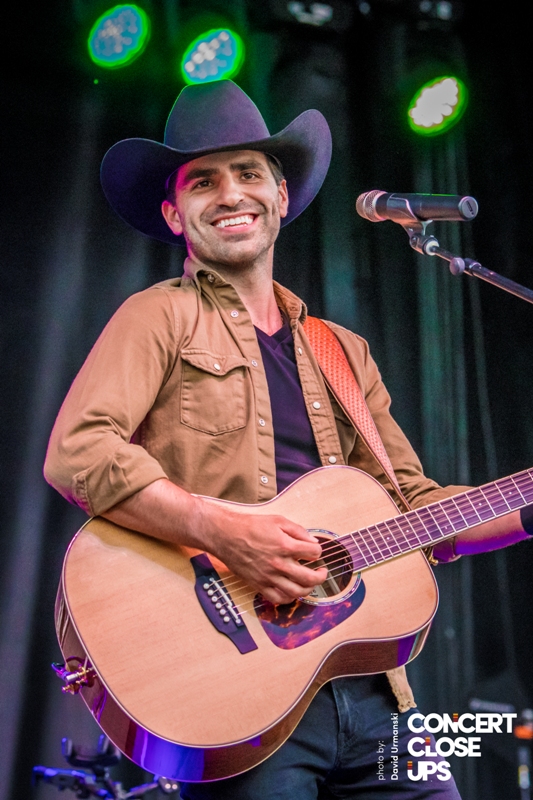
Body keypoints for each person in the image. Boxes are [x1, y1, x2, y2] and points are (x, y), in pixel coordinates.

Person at [44, 80, 532, 799]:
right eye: (203, 181)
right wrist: (228, 533)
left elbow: (419, 510)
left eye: (248, 174)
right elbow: (79, 452)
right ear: (175, 214)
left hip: (378, 698)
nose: (230, 193)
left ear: (279, 196)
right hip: (240, 697)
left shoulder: (343, 350)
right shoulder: (158, 318)